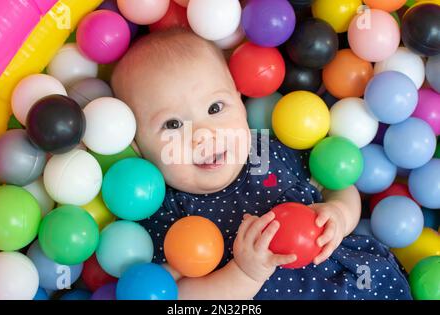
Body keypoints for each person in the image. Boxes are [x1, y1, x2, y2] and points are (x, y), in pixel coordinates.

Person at [111, 28, 412, 300]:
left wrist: (339, 214)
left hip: (354, 286)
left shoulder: (269, 151)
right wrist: (244, 273)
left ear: (240, 103)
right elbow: (179, 296)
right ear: (139, 147)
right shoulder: (162, 209)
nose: (204, 135)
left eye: (215, 108)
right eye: (173, 124)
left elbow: (338, 184)